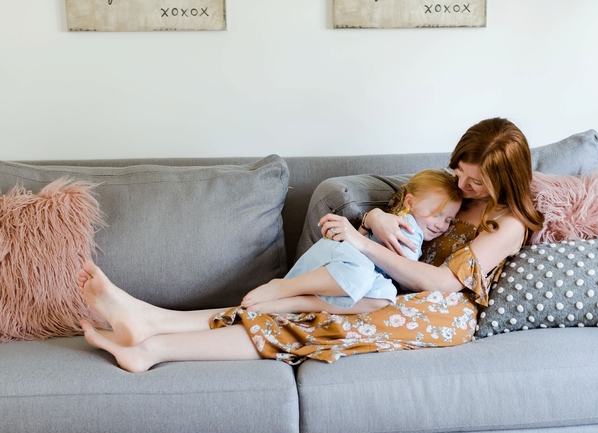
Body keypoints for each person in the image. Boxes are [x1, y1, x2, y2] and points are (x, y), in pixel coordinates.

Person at [78, 117, 545, 372]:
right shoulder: (454, 193)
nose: (462, 186)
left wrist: (366, 248)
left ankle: (155, 348)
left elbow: (445, 283)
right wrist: (378, 216)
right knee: (311, 304)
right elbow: (396, 199)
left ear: (505, 178)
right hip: (398, 290)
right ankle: (151, 319)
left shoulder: (507, 225)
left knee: (310, 323)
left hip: (442, 313)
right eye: (459, 171)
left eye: (476, 181)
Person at [240, 169, 462, 314]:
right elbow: (404, 269)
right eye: (436, 214)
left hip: (350, 272)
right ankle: (284, 287)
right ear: (410, 202)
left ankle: (297, 304)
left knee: (385, 295)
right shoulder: (408, 227)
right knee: (361, 272)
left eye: (449, 220)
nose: (441, 225)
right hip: (338, 257)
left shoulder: (411, 226)